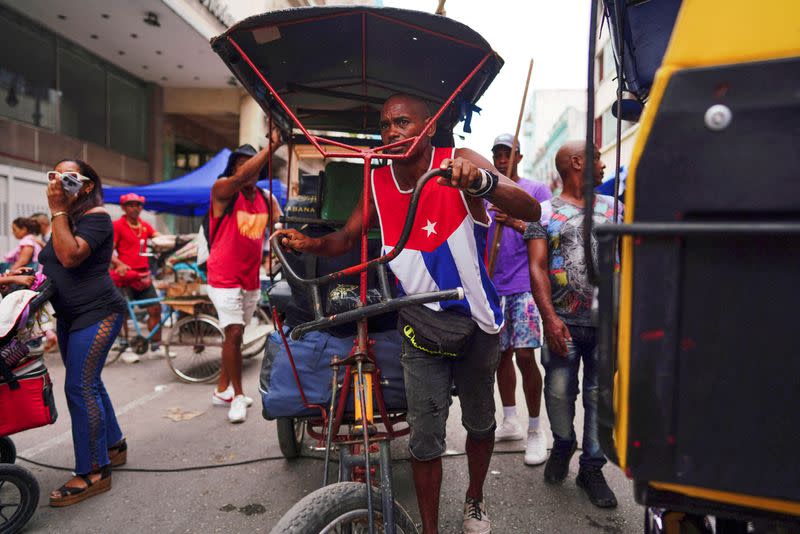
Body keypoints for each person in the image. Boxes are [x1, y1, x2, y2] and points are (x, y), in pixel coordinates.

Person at [274, 94, 540, 534]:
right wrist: (309, 244)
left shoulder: (458, 159)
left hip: (477, 322)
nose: (392, 132)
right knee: (424, 439)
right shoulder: (376, 182)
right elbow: (345, 239)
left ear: (429, 127)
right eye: (384, 125)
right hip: (419, 328)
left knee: (479, 423)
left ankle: (474, 499)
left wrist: (480, 184)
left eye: (402, 122)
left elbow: (529, 210)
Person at [524, 140, 619, 508]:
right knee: (560, 391)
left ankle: (592, 468)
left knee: (599, 396)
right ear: (578, 162)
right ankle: (563, 443)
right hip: (562, 323)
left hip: (606, 324)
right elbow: (537, 268)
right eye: (596, 157)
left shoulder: (617, 209)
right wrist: (549, 318)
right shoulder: (543, 212)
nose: (603, 164)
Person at [38, 159, 127, 507]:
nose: (61, 182)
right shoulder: (67, 219)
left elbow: (71, 256)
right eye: (56, 176)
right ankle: (114, 445)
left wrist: (57, 211)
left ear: (87, 187)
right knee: (91, 381)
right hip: (69, 316)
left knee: (79, 386)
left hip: (99, 311)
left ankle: (93, 472)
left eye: (70, 177)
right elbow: (51, 260)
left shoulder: (97, 218)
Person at [486, 134, 552, 467]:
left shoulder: (536, 190)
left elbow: (549, 231)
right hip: (493, 286)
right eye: (496, 155)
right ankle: (510, 419)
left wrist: (513, 220)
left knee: (526, 356)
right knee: (500, 356)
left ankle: (536, 430)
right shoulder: (485, 191)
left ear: (519, 157)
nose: (501, 160)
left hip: (525, 285)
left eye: (507, 154)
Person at [207, 137, 283, 424]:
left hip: (251, 277)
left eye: (252, 165)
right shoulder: (222, 190)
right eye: (242, 165)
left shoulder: (266, 199)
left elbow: (278, 227)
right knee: (235, 333)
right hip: (222, 275)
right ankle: (237, 396)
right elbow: (239, 177)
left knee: (234, 337)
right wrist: (271, 147)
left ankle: (221, 390)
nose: (248, 171)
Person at [109, 193, 161, 364]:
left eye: (138, 205)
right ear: (124, 207)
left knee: (155, 308)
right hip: (125, 275)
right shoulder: (117, 225)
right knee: (121, 312)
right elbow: (109, 251)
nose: (135, 208)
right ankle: (125, 347)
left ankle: (155, 346)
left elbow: (159, 239)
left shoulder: (145, 226)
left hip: (143, 275)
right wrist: (118, 264)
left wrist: (173, 242)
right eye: (131, 205)